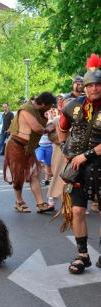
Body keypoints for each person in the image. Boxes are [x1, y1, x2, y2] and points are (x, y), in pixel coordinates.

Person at [58, 54, 101, 274]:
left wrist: (86, 154)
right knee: (77, 211)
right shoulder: (73, 106)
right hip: (78, 169)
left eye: (98, 84)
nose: (94, 88)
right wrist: (65, 146)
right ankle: (82, 255)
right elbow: (62, 127)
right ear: (84, 87)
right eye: (90, 85)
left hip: (99, 165)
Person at [4, 92, 57, 213]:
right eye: (49, 106)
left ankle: (40, 203)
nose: (50, 109)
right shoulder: (26, 108)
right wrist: (48, 129)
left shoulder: (39, 111)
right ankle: (19, 202)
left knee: (34, 175)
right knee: (18, 176)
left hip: (29, 148)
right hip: (16, 146)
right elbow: (37, 128)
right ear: (43, 104)